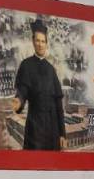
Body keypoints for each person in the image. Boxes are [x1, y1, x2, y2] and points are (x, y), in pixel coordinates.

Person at [11, 19, 67, 151]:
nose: (40, 44)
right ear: (33, 41)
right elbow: (23, 89)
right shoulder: (26, 65)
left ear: (47, 44)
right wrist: (19, 100)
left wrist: (62, 134)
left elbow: (58, 104)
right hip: (35, 126)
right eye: (38, 41)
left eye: (43, 41)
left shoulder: (51, 69)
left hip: (53, 128)